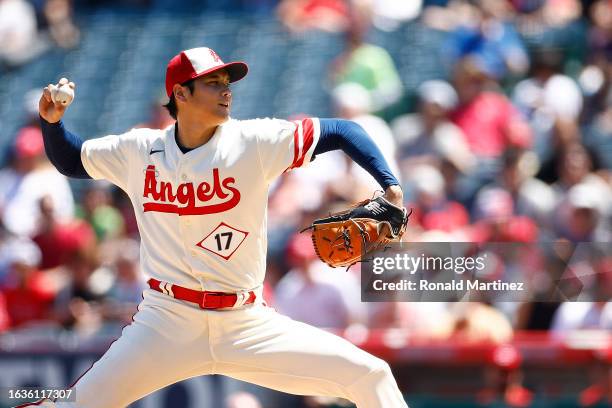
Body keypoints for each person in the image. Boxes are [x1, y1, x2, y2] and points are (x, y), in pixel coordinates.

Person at [28, 47, 408, 407]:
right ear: (180, 92)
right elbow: (71, 160)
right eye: (213, 83)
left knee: (370, 374)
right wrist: (52, 122)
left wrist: (390, 184)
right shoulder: (139, 150)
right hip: (165, 321)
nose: (226, 91)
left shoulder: (254, 141)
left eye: (227, 82)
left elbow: (342, 130)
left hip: (246, 323)